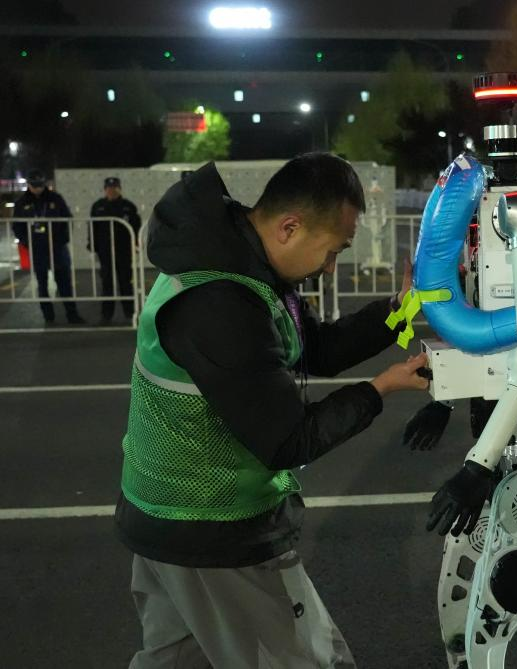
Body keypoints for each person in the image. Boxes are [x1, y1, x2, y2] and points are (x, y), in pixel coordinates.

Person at [115, 153, 430, 669]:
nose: (330, 267)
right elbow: (288, 440)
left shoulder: (238, 262)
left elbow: (315, 349)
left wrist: (401, 309)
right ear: (290, 227)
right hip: (210, 524)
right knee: (312, 660)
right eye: (333, 251)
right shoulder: (221, 302)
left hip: (166, 516)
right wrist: (380, 390)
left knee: (179, 661)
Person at [12, 168, 84, 324]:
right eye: (34, 185)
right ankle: (48, 316)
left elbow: (67, 219)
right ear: (29, 185)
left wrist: (62, 239)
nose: (37, 188)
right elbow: (17, 226)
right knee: (42, 284)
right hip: (37, 248)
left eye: (40, 185)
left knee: (64, 282)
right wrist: (27, 242)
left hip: (57, 247)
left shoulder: (55, 199)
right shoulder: (22, 202)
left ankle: (72, 314)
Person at [89, 176, 142, 324]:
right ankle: (106, 315)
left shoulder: (128, 206)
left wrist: (136, 243)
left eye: (115, 188)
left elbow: (136, 226)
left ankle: (130, 313)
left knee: (126, 281)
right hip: (105, 251)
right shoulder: (98, 206)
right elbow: (92, 228)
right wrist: (92, 245)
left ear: (120, 189)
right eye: (109, 188)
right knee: (107, 283)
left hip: (123, 250)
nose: (112, 191)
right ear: (105, 189)